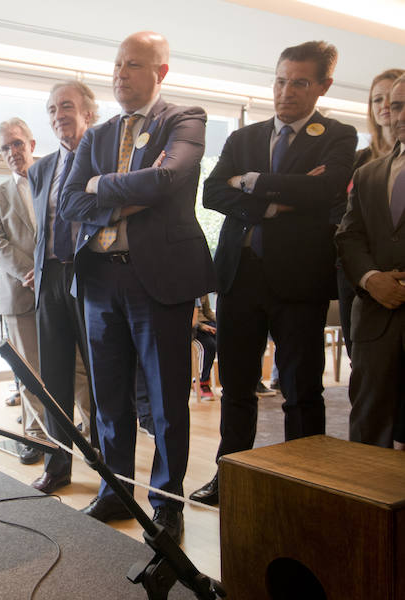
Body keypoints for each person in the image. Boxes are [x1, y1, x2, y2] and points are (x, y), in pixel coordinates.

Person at [61, 31, 216, 542]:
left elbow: (167, 181)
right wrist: (128, 194)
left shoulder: (184, 119)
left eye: (132, 65)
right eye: (117, 65)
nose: (120, 74)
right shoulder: (97, 135)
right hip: (101, 279)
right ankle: (116, 492)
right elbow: (69, 203)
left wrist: (99, 186)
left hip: (160, 280)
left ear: (160, 72)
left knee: (167, 400)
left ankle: (167, 506)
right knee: (110, 401)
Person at [192, 41, 357, 507]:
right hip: (239, 277)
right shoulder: (245, 137)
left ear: (323, 86)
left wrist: (249, 182)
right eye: (281, 80)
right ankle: (230, 476)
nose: (286, 92)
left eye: (300, 82)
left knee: (302, 391)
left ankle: (305, 483)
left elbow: (326, 189)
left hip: (299, 281)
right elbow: (210, 192)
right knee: (237, 388)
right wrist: (277, 200)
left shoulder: (338, 135)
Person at [26, 80, 98, 493]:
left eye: (66, 106)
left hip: (92, 276)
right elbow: (43, 229)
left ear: (88, 112)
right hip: (51, 278)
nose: (58, 116)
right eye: (52, 109)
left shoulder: (103, 157)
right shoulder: (40, 168)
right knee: (52, 378)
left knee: (102, 375)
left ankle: (111, 466)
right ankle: (58, 465)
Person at [336, 72, 405, 450]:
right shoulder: (367, 174)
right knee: (367, 432)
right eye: (394, 106)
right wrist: (370, 277)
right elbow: (348, 236)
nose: (399, 115)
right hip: (375, 318)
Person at [0, 117, 47, 464]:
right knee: (30, 371)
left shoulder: (53, 183)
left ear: (32, 145)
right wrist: (31, 271)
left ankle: (86, 436)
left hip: (58, 291)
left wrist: (48, 272)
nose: (12, 152)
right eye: (5, 148)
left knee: (76, 368)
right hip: (19, 292)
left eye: (17, 144)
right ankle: (36, 438)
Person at [193, 295, 218, 400]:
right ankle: (201, 382)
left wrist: (220, 322)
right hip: (193, 327)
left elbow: (207, 312)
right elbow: (189, 319)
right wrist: (202, 326)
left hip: (206, 322)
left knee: (228, 338)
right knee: (209, 345)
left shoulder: (204, 287)